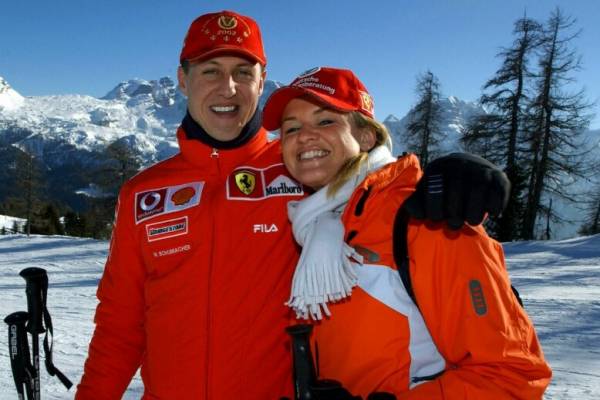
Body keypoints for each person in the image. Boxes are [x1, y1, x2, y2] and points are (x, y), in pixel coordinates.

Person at [75, 10, 512, 400]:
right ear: (183, 79)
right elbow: (119, 324)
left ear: (262, 81)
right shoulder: (144, 193)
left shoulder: (300, 170)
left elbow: (371, 182)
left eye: (243, 72)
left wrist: (453, 173)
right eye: (210, 71)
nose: (228, 88)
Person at [262, 66, 552, 399]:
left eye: (325, 121)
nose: (304, 136)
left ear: (366, 137)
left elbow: (511, 377)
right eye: (291, 128)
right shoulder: (312, 227)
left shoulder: (427, 222)